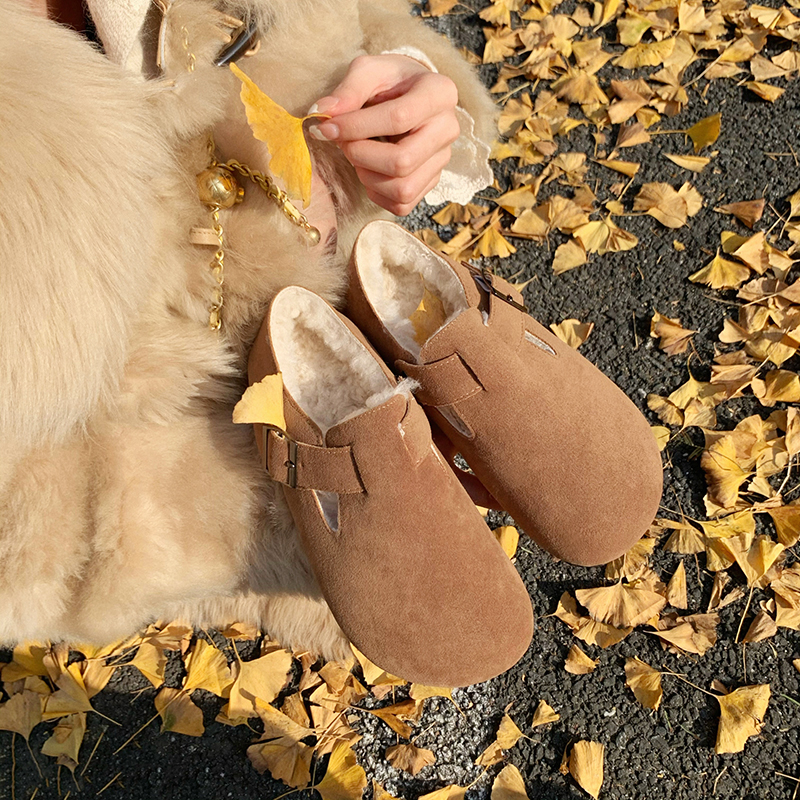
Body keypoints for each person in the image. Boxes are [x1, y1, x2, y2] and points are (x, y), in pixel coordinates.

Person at [0, 0, 498, 657]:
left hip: (327, 302)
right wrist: (246, 527)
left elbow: (356, 17)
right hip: (151, 492)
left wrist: (410, 88)